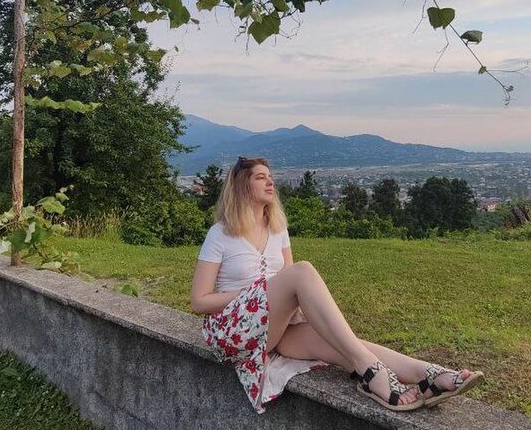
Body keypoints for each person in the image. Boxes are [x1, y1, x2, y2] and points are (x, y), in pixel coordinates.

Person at [190, 156, 484, 415]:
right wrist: (256, 291)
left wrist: (291, 306)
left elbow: (288, 288)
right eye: (260, 177)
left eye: (270, 177)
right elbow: (199, 301)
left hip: (274, 331)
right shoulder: (221, 234)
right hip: (232, 333)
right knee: (303, 271)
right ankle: (370, 372)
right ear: (242, 186)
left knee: (345, 344)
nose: (270, 183)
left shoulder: (278, 230)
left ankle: (429, 375)